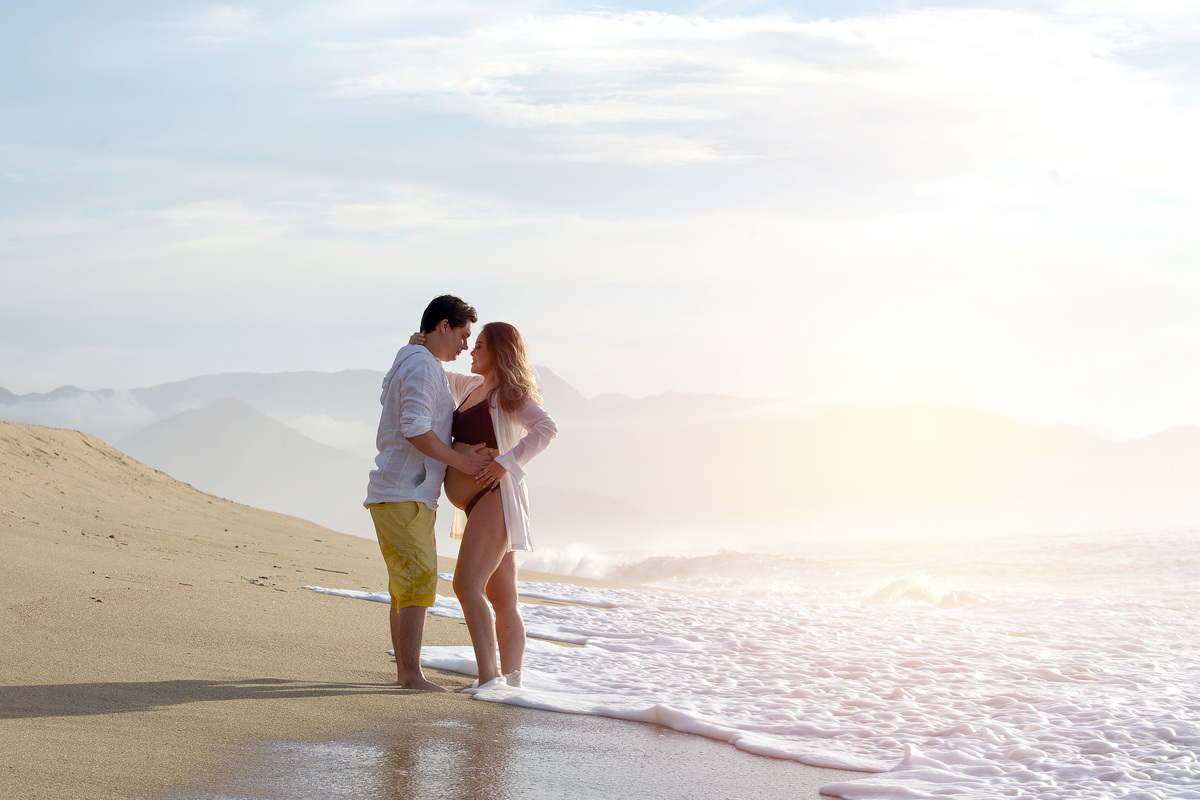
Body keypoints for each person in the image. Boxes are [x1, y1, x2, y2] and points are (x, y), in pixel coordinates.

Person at [414, 322, 556, 689]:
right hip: (476, 505)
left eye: (479, 346)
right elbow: (438, 372)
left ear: (498, 353)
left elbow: (547, 429)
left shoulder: (511, 396)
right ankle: (511, 684)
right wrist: (420, 344)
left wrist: (504, 462)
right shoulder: (471, 386)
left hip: (493, 499)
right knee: (502, 595)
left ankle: (489, 678)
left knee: (466, 585)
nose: (472, 351)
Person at [365, 295, 493, 691]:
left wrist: (455, 451)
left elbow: (424, 426)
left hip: (400, 492)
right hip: (404, 492)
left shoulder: (418, 359)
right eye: (463, 334)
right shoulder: (421, 365)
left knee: (405, 587)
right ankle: (410, 675)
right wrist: (461, 462)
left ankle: (407, 672)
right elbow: (415, 428)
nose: (465, 345)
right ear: (442, 326)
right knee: (418, 582)